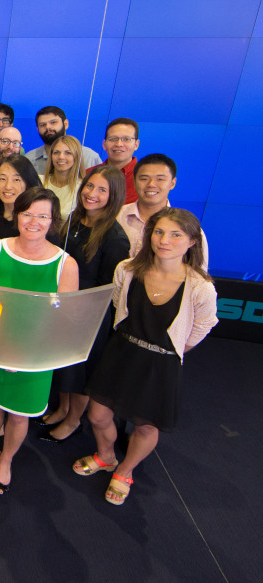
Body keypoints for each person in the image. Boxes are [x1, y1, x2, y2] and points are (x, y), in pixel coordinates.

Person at [76, 208, 217, 505]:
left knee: (147, 426)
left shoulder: (200, 287)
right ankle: (106, 456)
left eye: (176, 234)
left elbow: (203, 325)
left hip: (161, 363)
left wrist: (173, 350)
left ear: (192, 241)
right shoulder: (127, 270)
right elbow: (117, 305)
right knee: (98, 415)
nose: (165, 240)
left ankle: (125, 471)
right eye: (159, 232)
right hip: (122, 352)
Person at [0, 187, 79, 496]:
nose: (33, 221)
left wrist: (26, 353)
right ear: (16, 215)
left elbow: (63, 322)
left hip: (35, 355)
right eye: (27, 214)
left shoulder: (65, 265)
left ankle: (6, 459)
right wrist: (2, 347)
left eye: (42, 216)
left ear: (53, 221)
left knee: (19, 415)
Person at [40, 165, 129, 443]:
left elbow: (108, 288)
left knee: (81, 373)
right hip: (65, 308)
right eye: (90, 186)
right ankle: (63, 408)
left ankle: (74, 420)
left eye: (102, 190)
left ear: (114, 196)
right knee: (65, 367)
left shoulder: (114, 238)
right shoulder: (75, 221)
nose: (92, 193)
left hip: (90, 316)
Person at [118, 154, 210, 265]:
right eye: (144, 179)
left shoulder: (188, 227)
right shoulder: (114, 217)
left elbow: (197, 272)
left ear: (172, 183)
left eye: (160, 179)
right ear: (134, 181)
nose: (151, 184)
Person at [0, 153, 42, 246]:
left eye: (16, 180)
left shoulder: (39, 220)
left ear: (28, 182)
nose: (8, 186)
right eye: (2, 179)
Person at [26, 106, 101, 174]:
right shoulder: (29, 160)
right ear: (37, 129)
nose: (48, 127)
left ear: (65, 124)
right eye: (42, 125)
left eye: (53, 122)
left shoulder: (89, 157)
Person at [88, 118, 140, 204]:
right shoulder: (89, 173)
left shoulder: (144, 178)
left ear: (136, 144)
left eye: (126, 139)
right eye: (113, 139)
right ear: (104, 144)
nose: (119, 144)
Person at [41, 134, 85, 217]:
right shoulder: (39, 181)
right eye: (56, 152)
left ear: (77, 156)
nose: (61, 157)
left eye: (68, 153)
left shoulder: (83, 188)